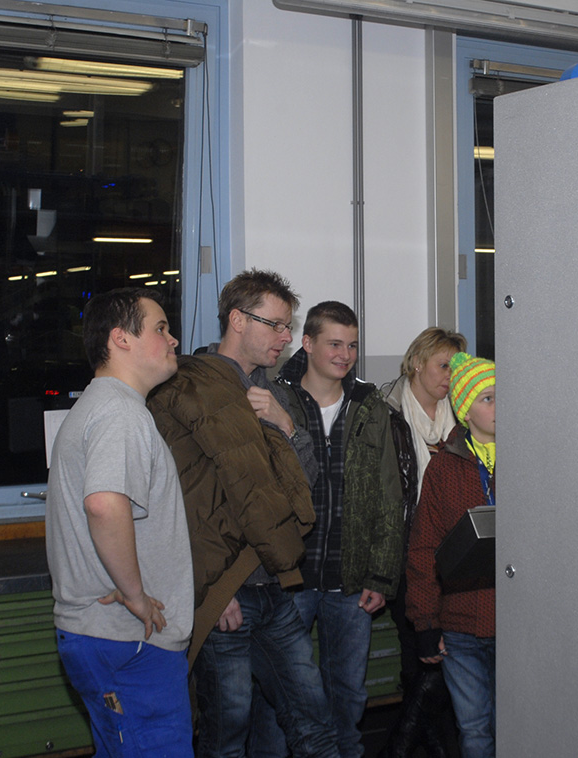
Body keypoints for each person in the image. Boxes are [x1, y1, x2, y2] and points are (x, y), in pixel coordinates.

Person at [147, 270, 338, 758]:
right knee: (227, 733)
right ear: (237, 320)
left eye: (288, 326)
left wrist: (285, 425)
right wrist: (216, 590)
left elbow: (305, 484)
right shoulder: (185, 388)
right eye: (275, 325)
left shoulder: (277, 395)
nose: (285, 337)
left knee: (314, 720)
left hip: (275, 584)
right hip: (226, 592)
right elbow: (181, 502)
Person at [46, 288, 194, 757]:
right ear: (120, 339)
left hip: (111, 639)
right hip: (130, 641)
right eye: (160, 328)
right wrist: (134, 595)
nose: (173, 340)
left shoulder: (100, 406)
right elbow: (104, 505)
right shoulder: (120, 413)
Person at [276, 301, 405, 758]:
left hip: (351, 583)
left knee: (348, 696)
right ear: (307, 343)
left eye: (352, 345)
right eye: (334, 344)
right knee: (281, 700)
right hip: (290, 579)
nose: (344, 355)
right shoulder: (277, 400)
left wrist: (381, 576)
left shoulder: (370, 406)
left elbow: (390, 496)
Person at [379, 328, 467, 758]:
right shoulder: (386, 413)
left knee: (450, 653)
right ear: (417, 363)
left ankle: (415, 742)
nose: (450, 375)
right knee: (418, 649)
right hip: (405, 551)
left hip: (457, 552)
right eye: (443, 365)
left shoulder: (466, 417)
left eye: (456, 367)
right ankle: (419, 742)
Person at [406, 353, 497, 758]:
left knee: (519, 724)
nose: (499, 407)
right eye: (488, 399)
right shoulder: (444, 469)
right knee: (474, 731)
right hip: (461, 625)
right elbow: (424, 549)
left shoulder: (531, 463)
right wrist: (426, 621)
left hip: (517, 623)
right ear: (465, 410)